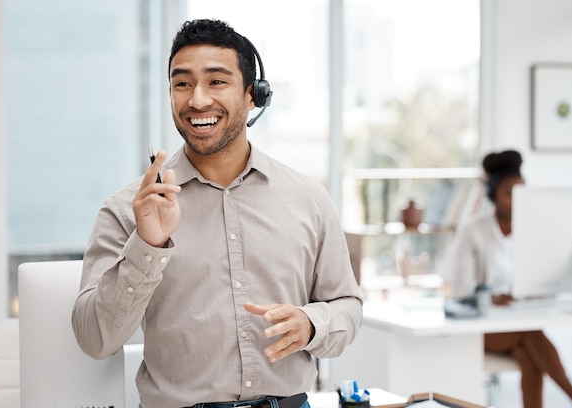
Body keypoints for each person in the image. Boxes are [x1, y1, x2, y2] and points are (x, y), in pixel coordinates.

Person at [71, 19, 363, 408]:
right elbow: (94, 339)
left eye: (217, 81)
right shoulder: (128, 210)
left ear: (252, 95)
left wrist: (313, 324)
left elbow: (347, 305)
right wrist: (147, 244)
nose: (197, 100)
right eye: (182, 83)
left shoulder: (308, 199)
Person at [444, 150, 572, 408]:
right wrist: (490, 297)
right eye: (508, 193)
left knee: (529, 354)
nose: (516, 200)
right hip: (482, 327)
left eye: (521, 192)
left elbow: (553, 276)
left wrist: (540, 289)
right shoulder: (473, 232)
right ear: (493, 195)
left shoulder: (536, 231)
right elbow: (459, 289)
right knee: (531, 334)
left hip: (522, 319)